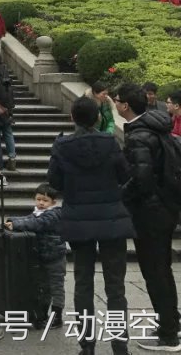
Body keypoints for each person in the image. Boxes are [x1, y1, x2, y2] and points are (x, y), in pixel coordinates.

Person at [48, 96, 133, 355]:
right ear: (98, 117)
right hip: (111, 221)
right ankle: (120, 344)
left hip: (79, 222)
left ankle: (87, 345)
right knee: (115, 284)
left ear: (73, 117)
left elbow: (55, 183)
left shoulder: (62, 145)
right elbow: (125, 175)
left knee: (83, 282)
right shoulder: (110, 142)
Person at [115, 84, 181, 352]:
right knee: (162, 269)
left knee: (155, 271)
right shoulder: (158, 128)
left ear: (126, 106)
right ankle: (170, 323)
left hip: (150, 213)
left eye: (117, 100)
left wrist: (121, 195)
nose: (115, 104)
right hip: (165, 208)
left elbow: (140, 179)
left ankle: (168, 335)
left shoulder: (140, 136)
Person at [4, 183, 66, 329]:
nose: (41, 203)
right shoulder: (37, 212)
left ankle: (57, 316)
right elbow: (29, 219)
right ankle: (42, 313)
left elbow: (38, 224)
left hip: (55, 257)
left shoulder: (54, 214)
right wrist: (12, 220)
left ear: (53, 203)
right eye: (38, 199)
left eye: (45, 201)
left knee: (56, 287)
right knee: (43, 286)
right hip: (42, 256)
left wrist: (17, 225)